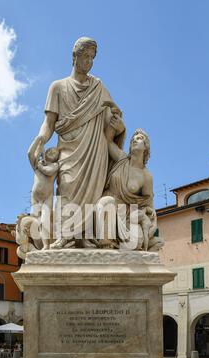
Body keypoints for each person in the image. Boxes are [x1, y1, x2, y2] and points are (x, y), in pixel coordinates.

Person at [27, 37, 125, 249]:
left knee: (94, 195)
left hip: (95, 150)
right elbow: (49, 122)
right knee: (67, 187)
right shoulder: (58, 87)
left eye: (92, 58)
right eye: (85, 56)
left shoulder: (98, 87)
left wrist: (117, 124)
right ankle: (66, 236)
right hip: (69, 151)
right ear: (74, 57)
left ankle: (87, 237)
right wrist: (40, 140)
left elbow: (112, 117)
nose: (88, 62)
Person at [97, 125, 162, 251]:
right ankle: (106, 244)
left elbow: (148, 204)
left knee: (136, 243)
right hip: (107, 206)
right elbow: (107, 140)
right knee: (106, 203)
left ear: (146, 147)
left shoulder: (146, 176)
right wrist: (119, 126)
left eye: (139, 138)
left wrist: (148, 214)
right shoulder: (122, 158)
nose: (134, 140)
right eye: (133, 139)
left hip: (127, 214)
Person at [31, 147, 59, 249]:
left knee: (44, 221)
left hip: (47, 197)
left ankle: (47, 245)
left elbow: (49, 171)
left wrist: (39, 165)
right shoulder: (39, 163)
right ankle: (43, 245)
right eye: (51, 150)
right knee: (37, 222)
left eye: (55, 153)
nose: (52, 152)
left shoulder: (55, 165)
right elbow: (30, 153)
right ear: (46, 153)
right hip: (35, 198)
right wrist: (39, 141)